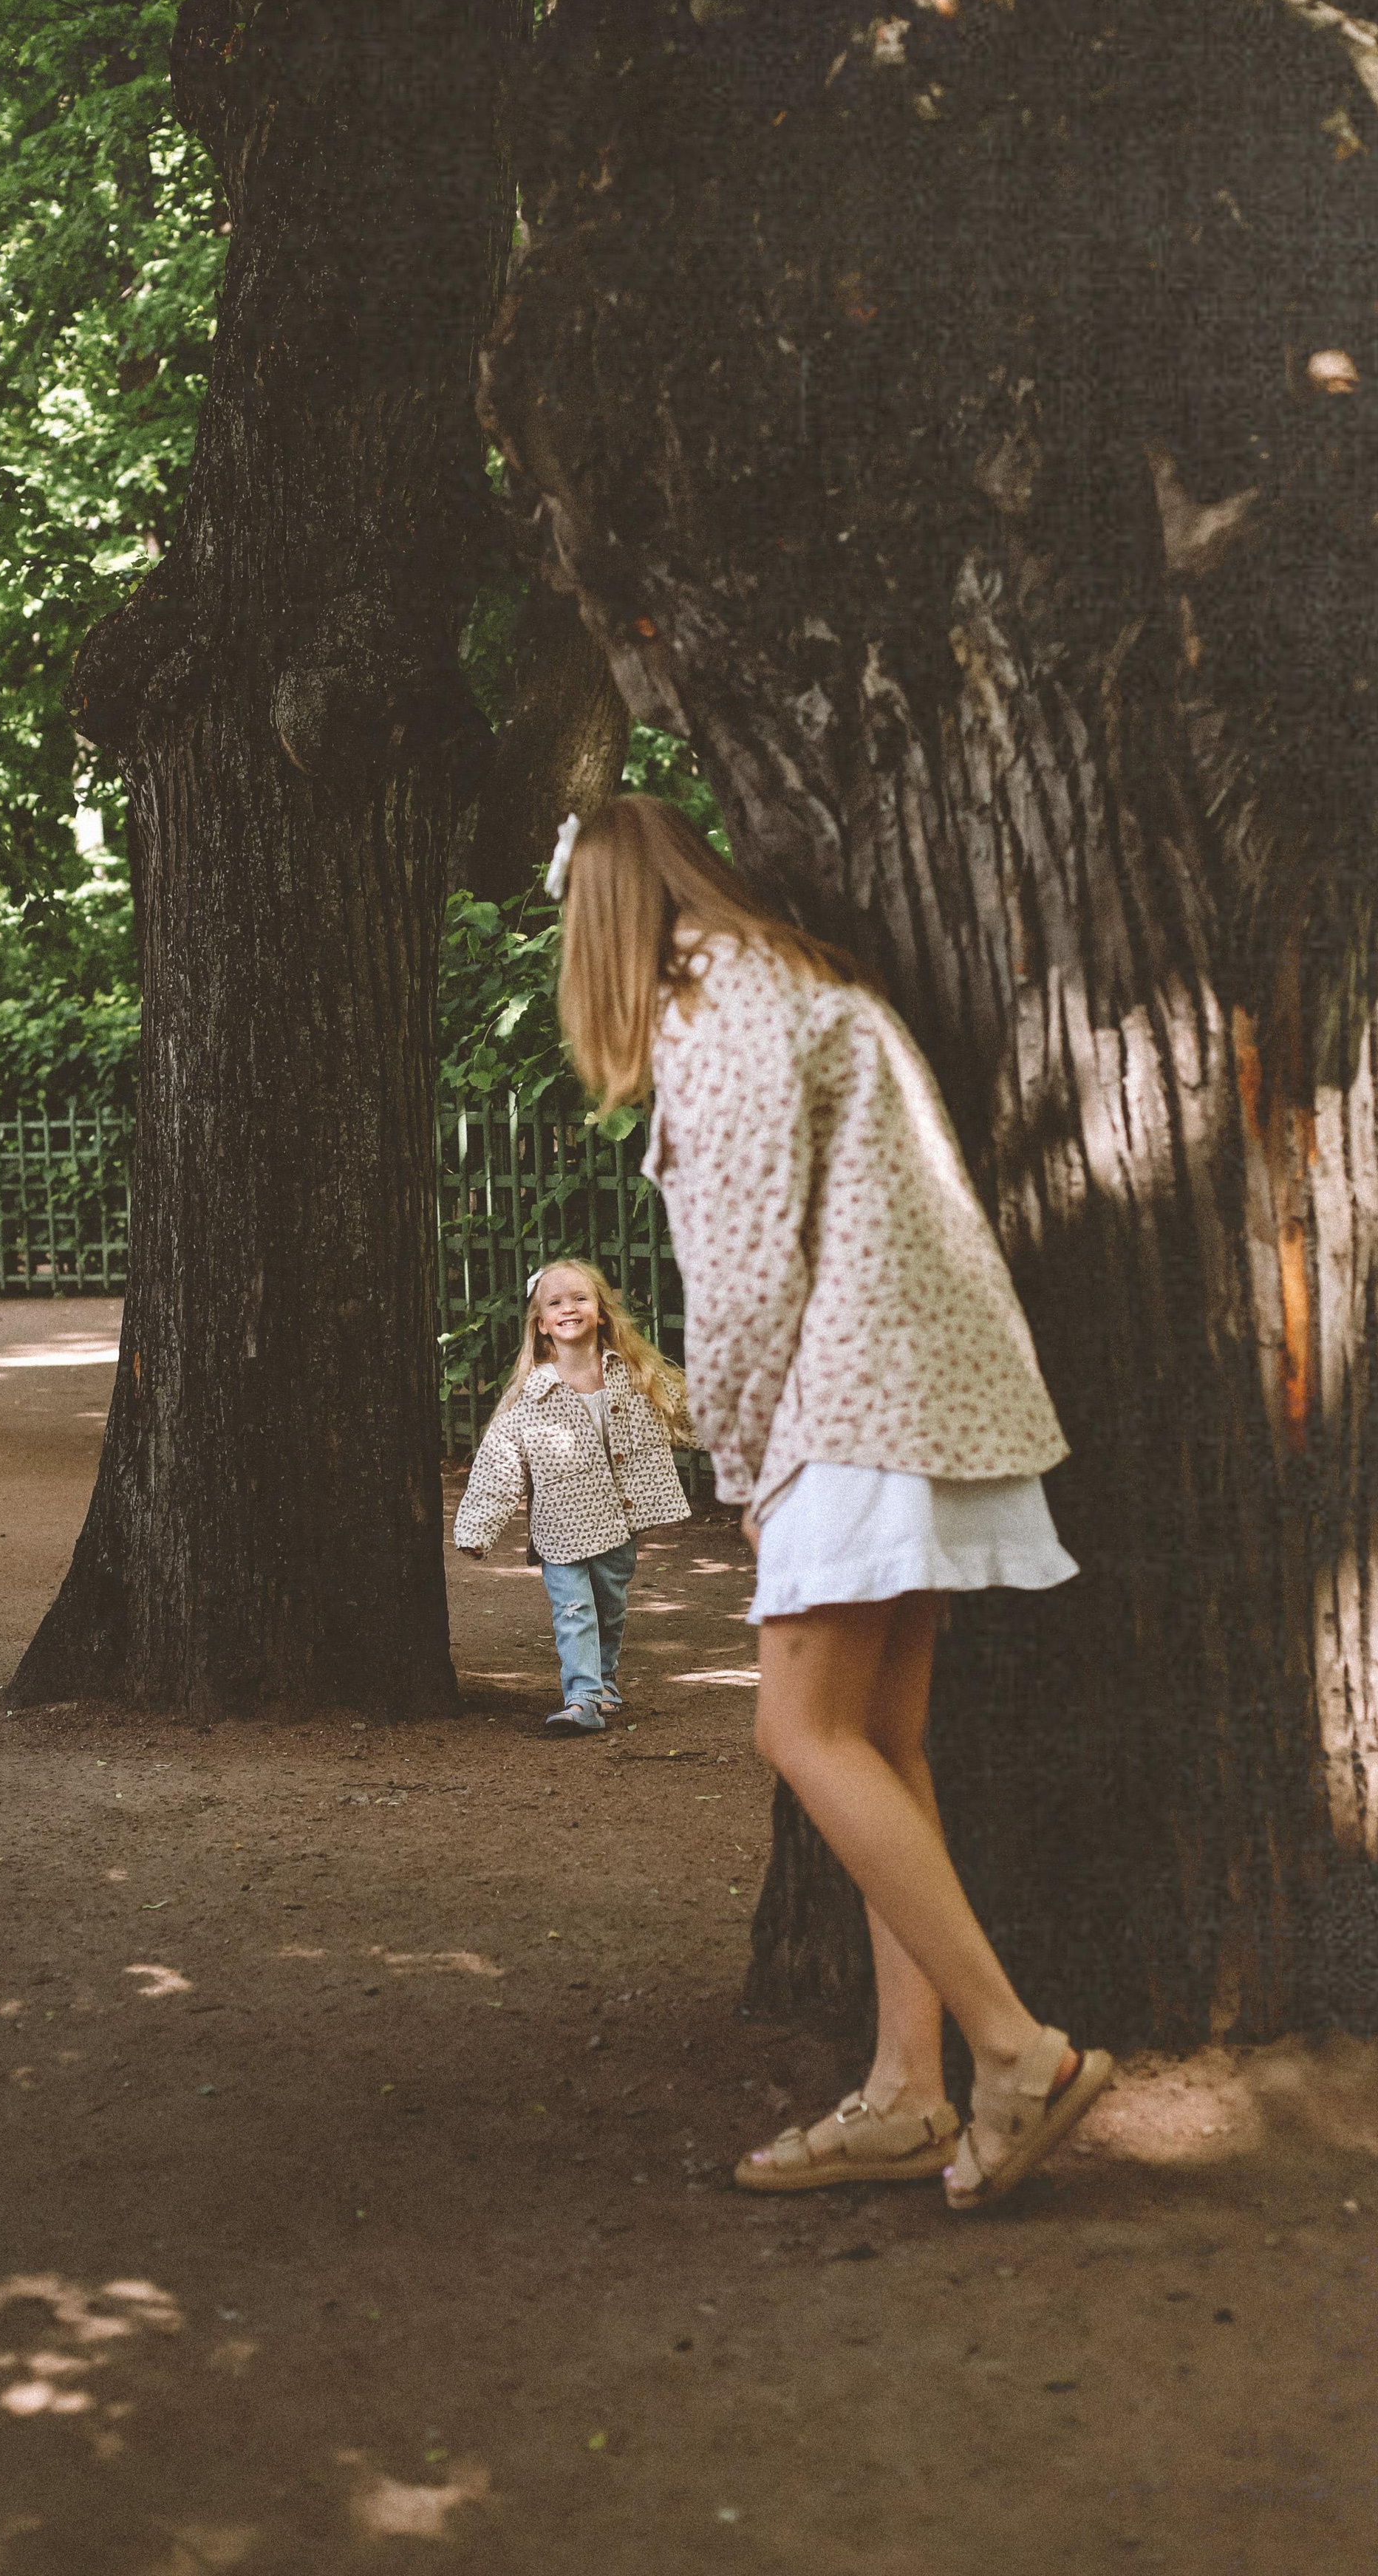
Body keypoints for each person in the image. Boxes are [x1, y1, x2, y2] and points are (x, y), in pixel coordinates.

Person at [553, 794, 1111, 2211]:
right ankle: (907, 2093)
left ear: (611, 917)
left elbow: (744, 1279)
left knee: (798, 1727)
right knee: (882, 1741)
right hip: (931, 1386)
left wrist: (742, 1465)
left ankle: (1015, 2054)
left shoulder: (713, 1005)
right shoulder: (805, 984)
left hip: (852, 1402)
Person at [454, 1259, 692, 1735]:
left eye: (580, 1299)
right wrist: (477, 1528)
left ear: (602, 1312)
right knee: (573, 1610)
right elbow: (499, 1464)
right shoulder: (531, 1395)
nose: (569, 1308)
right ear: (541, 1323)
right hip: (561, 1528)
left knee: (609, 1607)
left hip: (619, 1521)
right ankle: (581, 1697)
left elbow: (687, 1412)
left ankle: (603, 1684)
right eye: (555, 1303)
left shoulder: (634, 1374)